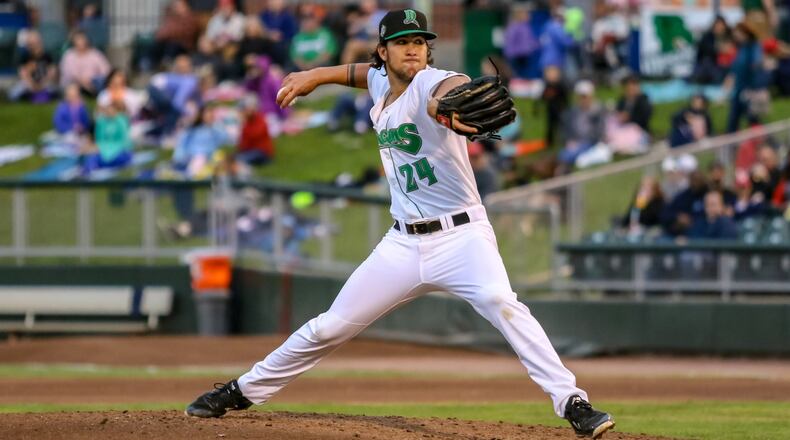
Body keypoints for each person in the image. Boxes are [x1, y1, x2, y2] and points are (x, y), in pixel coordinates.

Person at [184, 9, 615, 439]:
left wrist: (444, 103)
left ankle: (574, 403)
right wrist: (316, 74)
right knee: (331, 325)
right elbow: (358, 72)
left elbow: (450, 86)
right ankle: (241, 390)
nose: (414, 48)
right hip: (402, 244)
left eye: (420, 42)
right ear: (383, 52)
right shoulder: (379, 82)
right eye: (403, 42)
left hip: (462, 237)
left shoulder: (430, 82)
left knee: (504, 305)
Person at [725, 22, 766, 133]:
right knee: (734, 119)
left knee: (753, 120)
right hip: (739, 88)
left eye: (738, 33)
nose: (736, 35)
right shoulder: (741, 48)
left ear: (745, 33)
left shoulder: (753, 46)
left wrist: (757, 65)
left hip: (749, 89)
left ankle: (767, 144)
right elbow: (735, 67)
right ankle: (731, 144)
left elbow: (758, 62)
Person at [8, 31, 57, 102]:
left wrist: (42, 84)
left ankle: (42, 96)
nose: (33, 46)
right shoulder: (25, 57)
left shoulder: (48, 56)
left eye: (36, 43)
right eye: (31, 44)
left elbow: (52, 73)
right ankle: (29, 96)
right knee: (13, 94)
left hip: (45, 83)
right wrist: (33, 84)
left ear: (40, 42)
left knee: (55, 89)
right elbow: (23, 74)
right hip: (29, 84)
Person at [59, 30, 111, 97]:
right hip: (74, 83)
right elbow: (70, 74)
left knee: (101, 81)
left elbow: (106, 70)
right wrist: (83, 82)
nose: (81, 42)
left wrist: (91, 80)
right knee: (72, 85)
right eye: (78, 39)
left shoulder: (95, 54)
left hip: (93, 83)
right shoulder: (69, 55)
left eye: (82, 39)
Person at [503, 3, 539, 79]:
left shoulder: (526, 26)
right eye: (526, 13)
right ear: (519, 14)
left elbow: (530, 41)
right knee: (516, 76)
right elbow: (510, 42)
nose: (528, 15)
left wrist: (537, 44)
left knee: (526, 77)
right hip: (516, 57)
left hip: (526, 56)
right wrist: (510, 55)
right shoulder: (514, 26)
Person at [236, 95, 274, 166]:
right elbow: (243, 143)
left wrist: (244, 125)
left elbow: (254, 135)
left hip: (262, 152)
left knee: (241, 159)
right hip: (250, 151)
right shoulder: (247, 122)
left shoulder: (260, 120)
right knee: (234, 157)